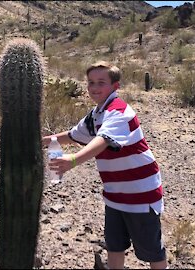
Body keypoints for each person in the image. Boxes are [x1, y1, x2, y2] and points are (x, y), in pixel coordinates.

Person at [42, 61, 167, 269]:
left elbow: (103, 140)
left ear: (115, 86)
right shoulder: (96, 114)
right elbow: (73, 135)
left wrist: (73, 160)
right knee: (114, 245)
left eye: (101, 82)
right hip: (115, 193)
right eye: (91, 82)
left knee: (151, 250)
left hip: (140, 193)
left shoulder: (119, 111)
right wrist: (43, 141)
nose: (94, 87)